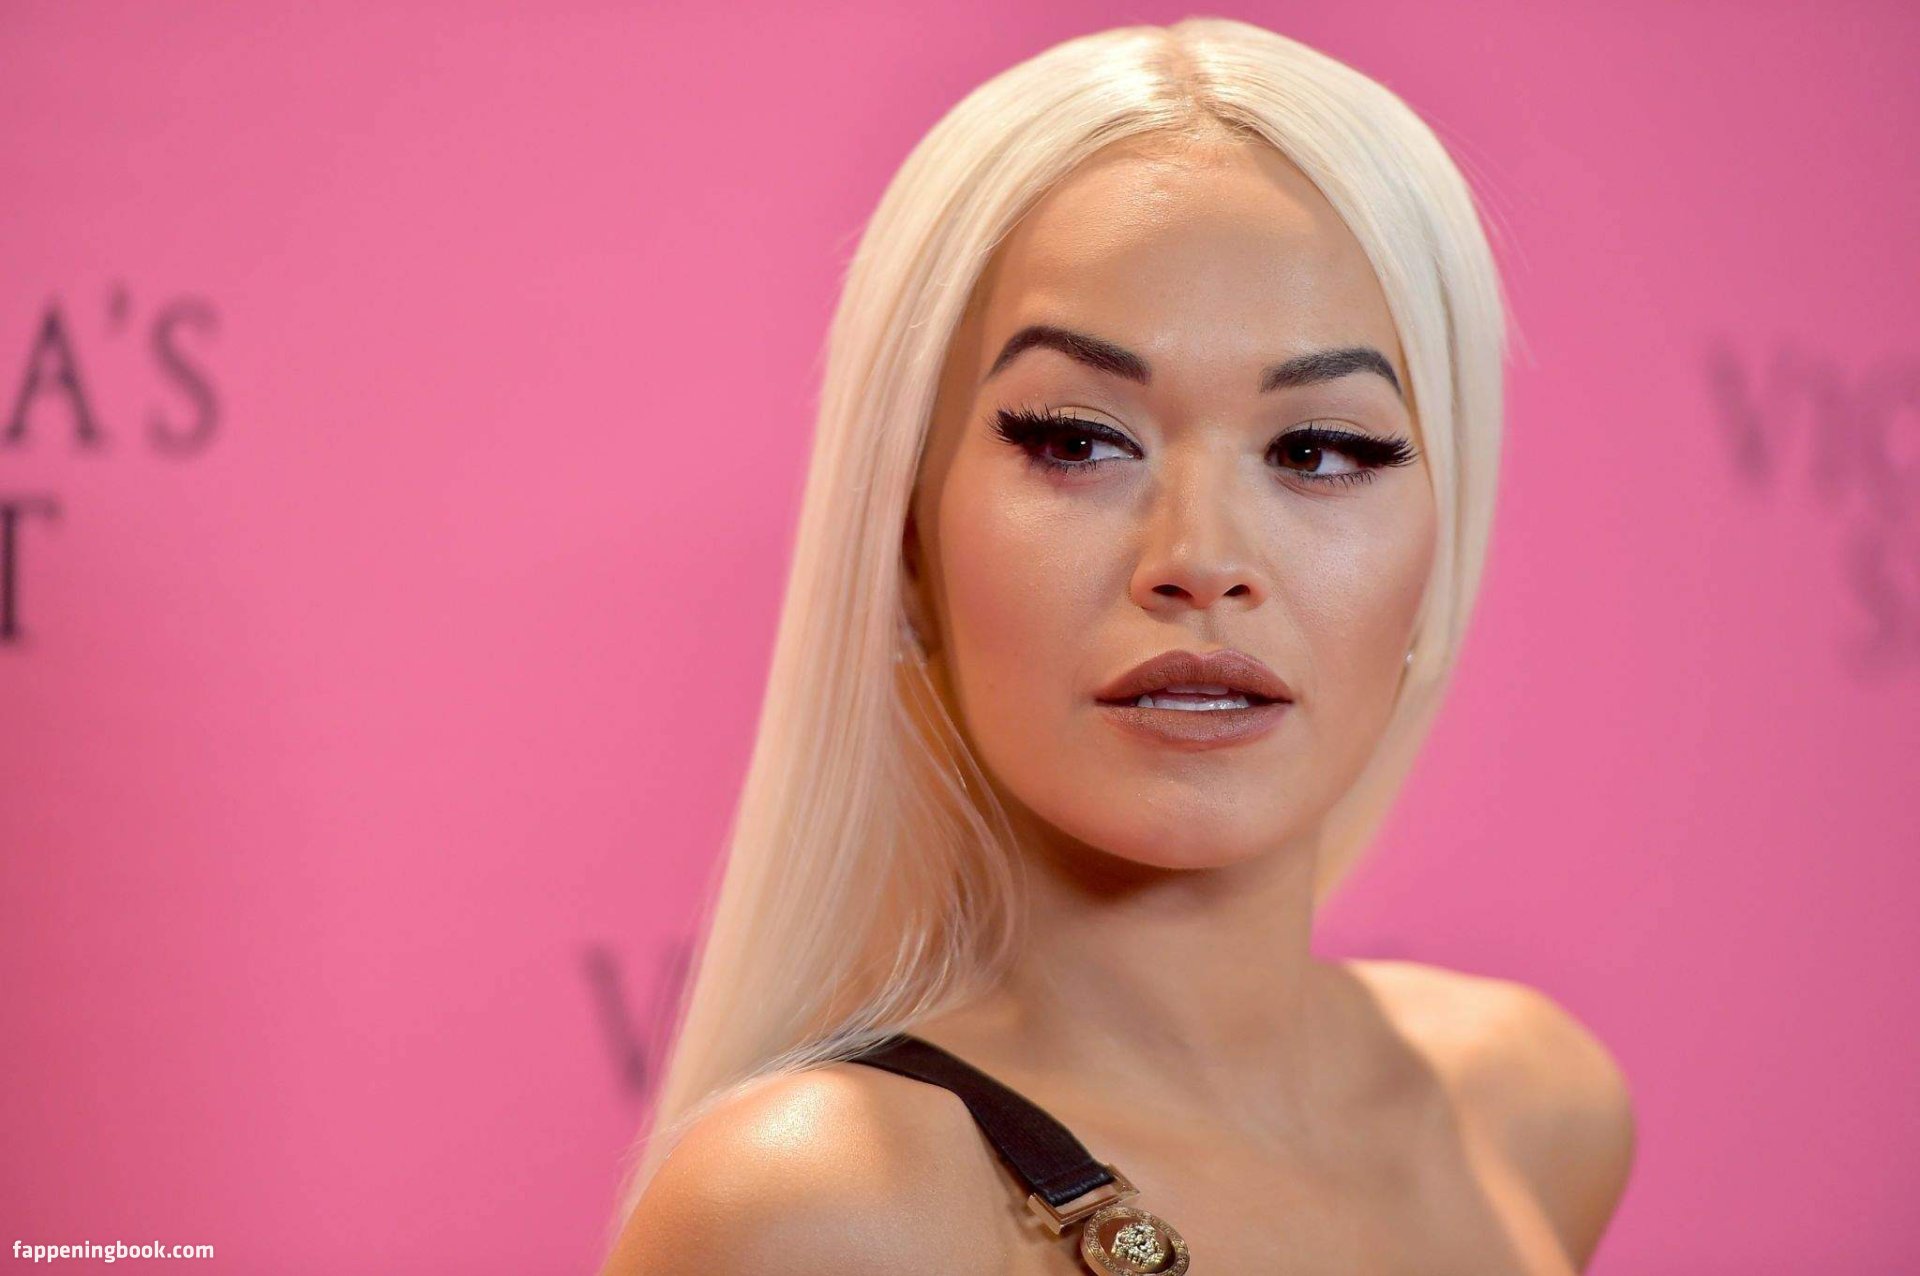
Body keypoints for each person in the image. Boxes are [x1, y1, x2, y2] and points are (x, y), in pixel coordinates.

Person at [599, 17, 1634, 1274]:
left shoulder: (1533, 1112)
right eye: (1076, 440)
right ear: (907, 544)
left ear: (1441, 539)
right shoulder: (820, 1207)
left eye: (1319, 450)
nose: (1200, 556)